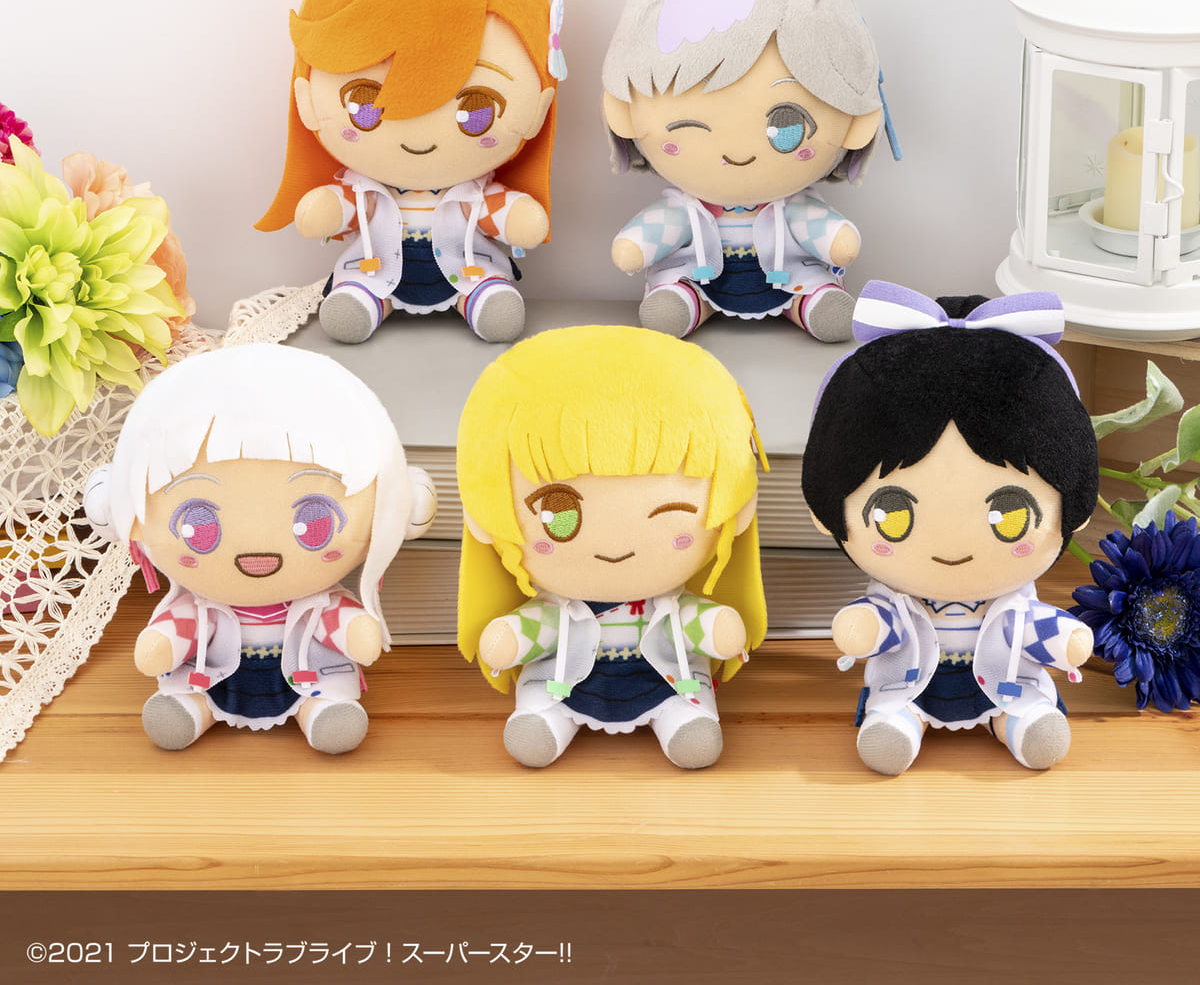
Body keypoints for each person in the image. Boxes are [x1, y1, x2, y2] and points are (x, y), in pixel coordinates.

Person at [801, 281, 1099, 774]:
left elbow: (1035, 627)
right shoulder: (898, 600)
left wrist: (1065, 638)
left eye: (1012, 515)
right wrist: (863, 627)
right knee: (895, 711)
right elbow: (881, 623)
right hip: (910, 686)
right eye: (893, 514)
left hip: (1006, 683)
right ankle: (901, 725)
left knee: (1025, 709)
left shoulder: (1013, 605)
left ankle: (1018, 722)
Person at [84, 344, 436, 753]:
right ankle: (194, 707)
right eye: (199, 525)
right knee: (196, 691)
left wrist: (358, 632)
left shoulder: (319, 601)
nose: (256, 549)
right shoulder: (199, 605)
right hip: (216, 676)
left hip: (306, 677)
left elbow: (344, 626)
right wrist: (161, 644)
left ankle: (320, 711)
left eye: (314, 523)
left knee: (321, 697)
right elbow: (176, 632)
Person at [456, 325, 766, 768]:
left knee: (692, 723)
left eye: (671, 515)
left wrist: (720, 628)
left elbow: (697, 623)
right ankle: (542, 721)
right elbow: (533, 629)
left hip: (668, 680)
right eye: (560, 517)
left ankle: (684, 722)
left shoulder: (670, 605)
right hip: (562, 682)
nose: (617, 545)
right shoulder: (558, 610)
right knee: (539, 711)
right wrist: (506, 639)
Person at [257, 0, 565, 344]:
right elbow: (333, 211)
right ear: (307, 102)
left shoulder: (474, 196)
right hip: (376, 271)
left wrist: (520, 220)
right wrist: (324, 210)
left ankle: (480, 299)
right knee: (354, 298)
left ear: (538, 111)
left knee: (493, 300)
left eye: (476, 111)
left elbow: (508, 216)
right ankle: (366, 302)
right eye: (365, 104)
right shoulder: (364, 193)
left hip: (467, 270)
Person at [603, 0, 894, 342]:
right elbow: (651, 235)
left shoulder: (795, 208)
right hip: (700, 275)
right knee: (675, 295)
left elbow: (828, 236)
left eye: (786, 124)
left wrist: (837, 242)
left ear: (855, 122)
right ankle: (684, 302)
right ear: (623, 114)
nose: (737, 152)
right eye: (688, 127)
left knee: (814, 289)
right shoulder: (682, 210)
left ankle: (812, 305)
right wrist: (633, 248)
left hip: (789, 277)